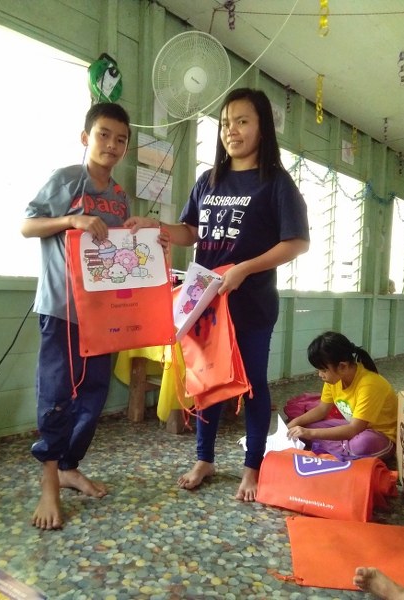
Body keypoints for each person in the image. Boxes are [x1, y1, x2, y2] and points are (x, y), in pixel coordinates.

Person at [125, 87, 310, 501]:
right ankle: (204, 458)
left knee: (252, 385)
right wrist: (158, 227)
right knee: (206, 381)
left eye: (242, 121)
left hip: (252, 304)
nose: (232, 131)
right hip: (206, 304)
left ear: (262, 127)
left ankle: (252, 466)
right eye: (226, 123)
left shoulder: (276, 182)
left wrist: (245, 268)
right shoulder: (208, 180)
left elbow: (297, 242)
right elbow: (191, 231)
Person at [21, 102, 135, 530]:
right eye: (104, 134)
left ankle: (69, 466)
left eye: (120, 139)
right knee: (57, 394)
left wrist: (144, 239)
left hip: (103, 314)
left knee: (93, 396)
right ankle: (49, 481)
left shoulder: (120, 197)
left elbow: (119, 254)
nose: (112, 145)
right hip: (61, 308)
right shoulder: (66, 179)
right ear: (86, 137)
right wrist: (72, 220)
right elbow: (28, 226)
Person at [287, 331, 397, 460]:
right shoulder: (334, 379)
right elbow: (322, 410)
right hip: (354, 427)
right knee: (302, 428)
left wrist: (310, 434)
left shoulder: (369, 384)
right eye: (318, 370)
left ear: (342, 366)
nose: (320, 375)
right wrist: (296, 422)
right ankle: (342, 449)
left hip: (378, 436)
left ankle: (339, 449)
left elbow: (354, 429)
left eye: (323, 370)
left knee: (361, 444)